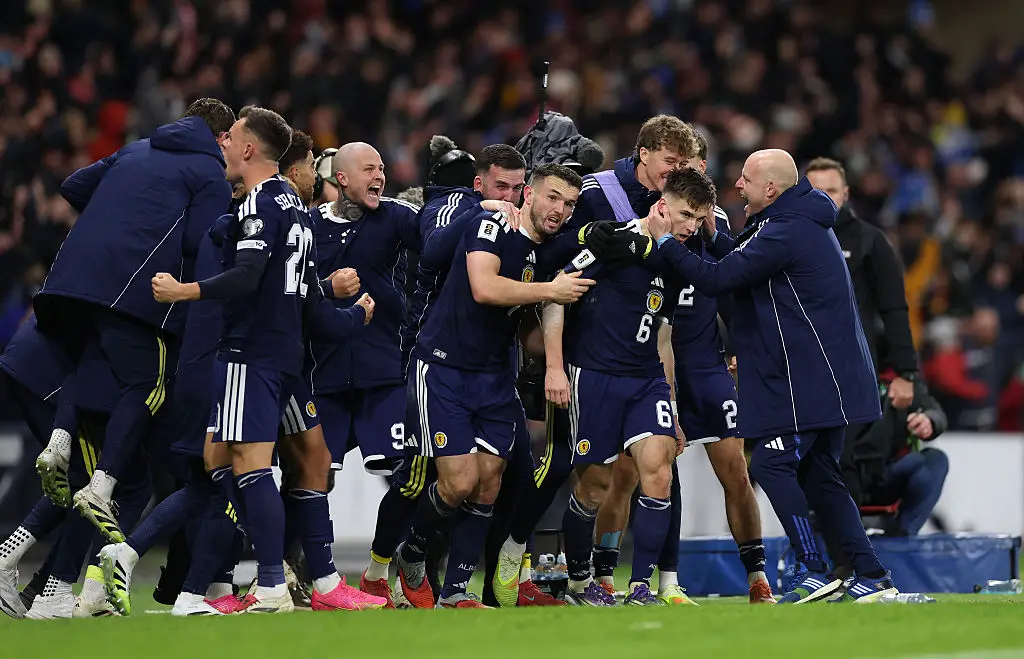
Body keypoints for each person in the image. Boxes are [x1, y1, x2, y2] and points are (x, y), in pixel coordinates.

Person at [631, 149, 898, 604]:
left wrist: (666, 242)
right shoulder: (788, 222)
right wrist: (714, 238)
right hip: (823, 375)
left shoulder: (786, 229)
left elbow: (718, 280)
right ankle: (872, 574)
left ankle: (813, 567)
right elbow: (743, 263)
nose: (737, 185)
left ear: (770, 189)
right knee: (820, 474)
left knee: (772, 465)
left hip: (807, 377)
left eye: (746, 179)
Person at [150, 107, 375, 613]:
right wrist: (352, 317)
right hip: (283, 356)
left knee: (248, 467)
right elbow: (306, 298)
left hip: (249, 354)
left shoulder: (258, 204)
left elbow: (248, 275)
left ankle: (269, 582)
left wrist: (184, 290)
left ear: (250, 148)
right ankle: (211, 588)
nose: (224, 145)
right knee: (220, 462)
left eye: (231, 138)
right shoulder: (296, 208)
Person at [32, 98, 237, 544]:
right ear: (222, 138)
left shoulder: (136, 147)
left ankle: (60, 440)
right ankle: (102, 484)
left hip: (68, 277)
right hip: (131, 287)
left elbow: (73, 186)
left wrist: (117, 215)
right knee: (149, 383)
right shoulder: (210, 172)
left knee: (90, 356)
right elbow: (199, 242)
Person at [587, 129, 773, 605]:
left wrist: (739, 345)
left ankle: (757, 577)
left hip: (705, 363)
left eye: (689, 164)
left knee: (735, 468)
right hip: (651, 361)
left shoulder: (712, 226)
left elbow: (732, 287)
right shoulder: (646, 218)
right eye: (675, 163)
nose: (681, 170)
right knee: (631, 474)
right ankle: (607, 577)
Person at [395, 164, 593, 609]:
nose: (560, 210)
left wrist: (555, 363)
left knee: (489, 484)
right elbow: (485, 287)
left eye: (569, 204)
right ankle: (413, 549)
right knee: (459, 483)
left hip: (494, 378)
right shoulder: (492, 224)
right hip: (443, 367)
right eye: (553, 197)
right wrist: (551, 291)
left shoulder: (545, 253)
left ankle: (456, 593)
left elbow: (539, 311)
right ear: (529, 194)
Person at [512, 168, 710, 607]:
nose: (692, 227)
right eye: (686, 215)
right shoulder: (613, 241)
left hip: (646, 379)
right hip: (594, 376)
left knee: (658, 473)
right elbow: (556, 296)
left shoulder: (677, 259)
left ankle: (640, 587)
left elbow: (663, 335)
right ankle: (580, 583)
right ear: (662, 206)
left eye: (699, 220)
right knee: (594, 488)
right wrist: (555, 368)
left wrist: (672, 403)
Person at [360, 138, 526, 607]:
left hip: (492, 368)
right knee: (420, 478)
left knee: (497, 476)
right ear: (477, 184)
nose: (509, 197)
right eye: (500, 187)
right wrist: (481, 210)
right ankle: (379, 571)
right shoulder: (455, 206)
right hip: (432, 358)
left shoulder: (522, 223)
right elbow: (434, 249)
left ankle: (461, 585)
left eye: (517, 188)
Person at [805, 157, 920, 504]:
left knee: (842, 460)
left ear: (846, 193)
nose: (824, 198)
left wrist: (906, 372)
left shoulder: (870, 241)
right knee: (803, 462)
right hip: (802, 371)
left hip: (852, 371)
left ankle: (846, 538)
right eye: (815, 191)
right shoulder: (787, 237)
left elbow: (895, 310)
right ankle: (818, 536)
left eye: (831, 190)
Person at [305, 142, 420, 479]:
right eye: (369, 169)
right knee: (314, 479)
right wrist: (326, 287)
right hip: (324, 376)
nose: (380, 176)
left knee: (403, 473)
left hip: (384, 374)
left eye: (381, 169)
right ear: (342, 178)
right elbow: (287, 290)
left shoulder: (396, 215)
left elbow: (444, 237)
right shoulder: (308, 225)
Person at [854, 371, 949, 536]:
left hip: (885, 473)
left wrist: (928, 420)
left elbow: (933, 411)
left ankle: (903, 537)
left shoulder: (902, 376)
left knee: (935, 460)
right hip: (838, 473)